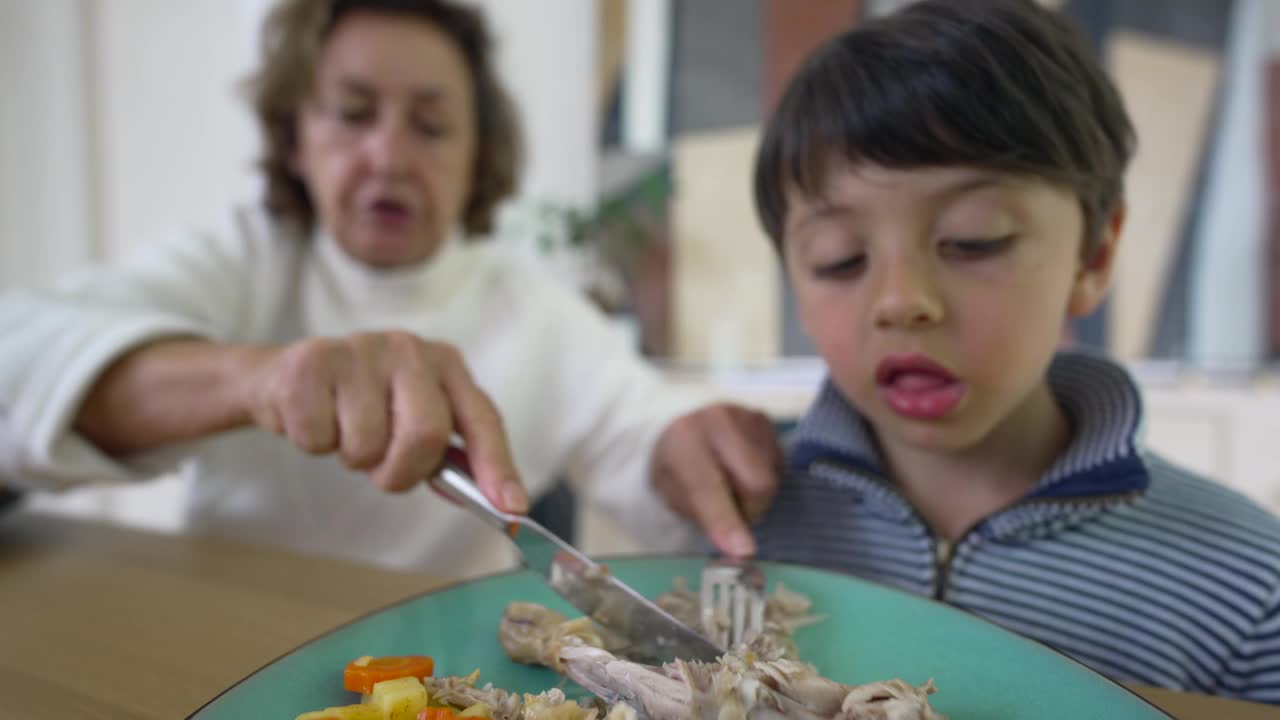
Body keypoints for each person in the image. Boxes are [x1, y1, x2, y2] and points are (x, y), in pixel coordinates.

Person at [0, 0, 781, 579]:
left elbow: (641, 434)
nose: (387, 155)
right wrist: (261, 378)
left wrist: (689, 449)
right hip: (217, 647)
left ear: (479, 156)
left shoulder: (536, 310)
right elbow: (18, 355)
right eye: (351, 113)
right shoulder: (243, 260)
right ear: (296, 139)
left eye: (432, 126)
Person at [748, 0, 1280, 703]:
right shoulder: (736, 510)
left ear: (1094, 253)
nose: (901, 300)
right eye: (840, 259)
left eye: (974, 240)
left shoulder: (1246, 578)